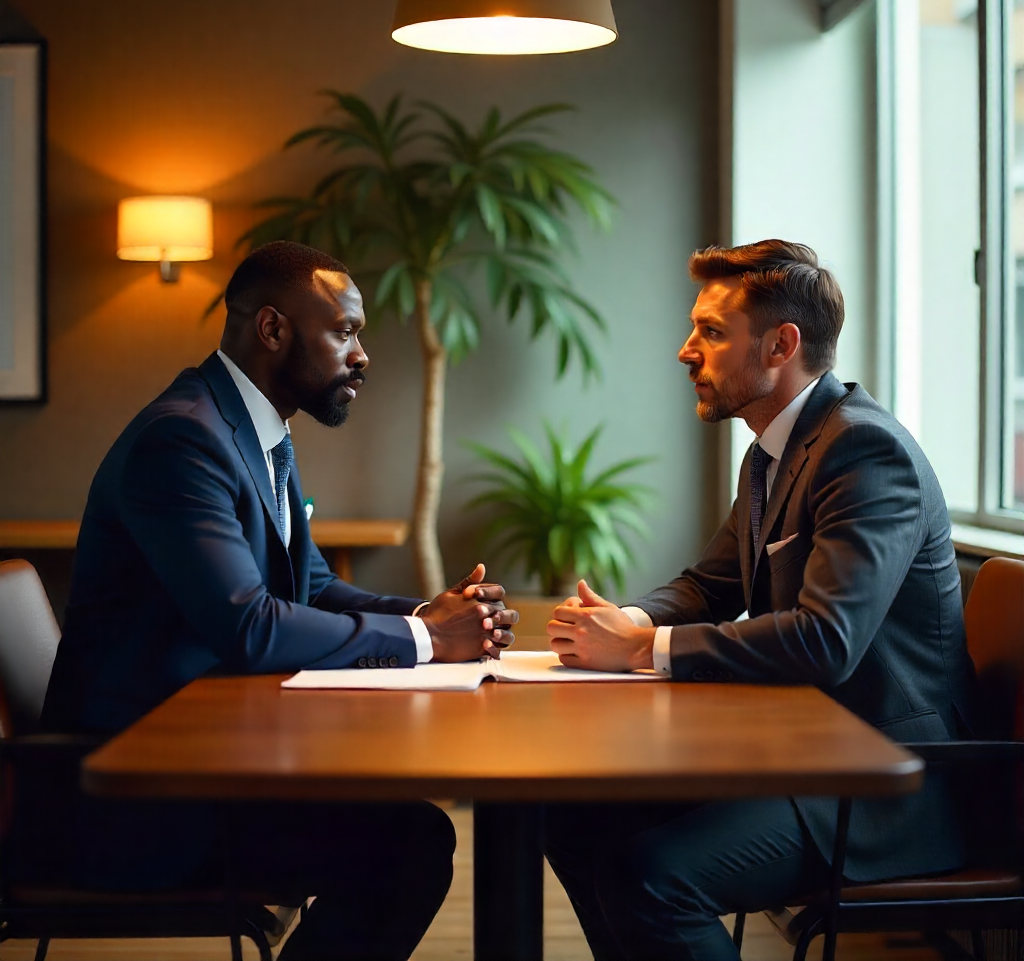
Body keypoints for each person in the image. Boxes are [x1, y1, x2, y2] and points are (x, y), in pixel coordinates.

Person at [38, 241, 518, 961]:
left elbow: (311, 588)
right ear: (272, 329)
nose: (362, 356)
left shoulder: (254, 434)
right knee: (407, 844)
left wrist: (431, 617)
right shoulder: (183, 440)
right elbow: (249, 627)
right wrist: (427, 643)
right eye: (346, 332)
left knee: (408, 835)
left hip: (210, 765)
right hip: (142, 805)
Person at [543, 239, 976, 961]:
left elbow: (825, 640)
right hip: (810, 753)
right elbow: (710, 584)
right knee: (573, 817)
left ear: (782, 345)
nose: (686, 351)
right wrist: (631, 620)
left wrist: (642, 651)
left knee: (649, 879)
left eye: (711, 333)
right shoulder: (775, 449)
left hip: (886, 781)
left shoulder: (866, 452)